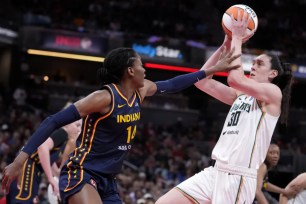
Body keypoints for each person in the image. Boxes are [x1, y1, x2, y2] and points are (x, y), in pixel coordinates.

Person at [2, 47, 240, 204]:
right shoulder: (103, 98)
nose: (145, 69)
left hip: (109, 180)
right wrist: (18, 162)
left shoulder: (141, 90)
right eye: (141, 65)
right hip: (83, 173)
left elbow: (174, 83)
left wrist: (210, 70)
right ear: (129, 70)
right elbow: (52, 121)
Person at [155, 10, 293, 204]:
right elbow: (202, 82)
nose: (252, 66)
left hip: (239, 177)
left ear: (272, 73)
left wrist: (237, 37)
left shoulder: (273, 94)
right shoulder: (240, 95)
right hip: (215, 172)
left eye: (259, 64)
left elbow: (234, 78)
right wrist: (225, 44)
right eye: (252, 63)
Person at [6, 116, 82, 204]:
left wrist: (56, 173)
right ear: (67, 124)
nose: (79, 130)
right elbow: (42, 148)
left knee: (28, 200)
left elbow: (48, 157)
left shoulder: (62, 138)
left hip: (31, 168)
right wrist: (50, 178)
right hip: (29, 165)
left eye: (80, 127)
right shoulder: (63, 133)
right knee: (24, 200)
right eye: (77, 125)